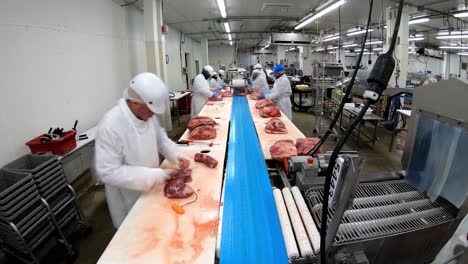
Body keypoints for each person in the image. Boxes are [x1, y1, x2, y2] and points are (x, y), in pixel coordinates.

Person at [95, 72, 191, 228]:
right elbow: (108, 172)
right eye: (151, 109)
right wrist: (154, 175)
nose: (154, 114)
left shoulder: (146, 115)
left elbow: (160, 139)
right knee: (136, 238)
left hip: (152, 187)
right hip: (128, 197)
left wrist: (175, 155)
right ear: (135, 103)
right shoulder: (111, 125)